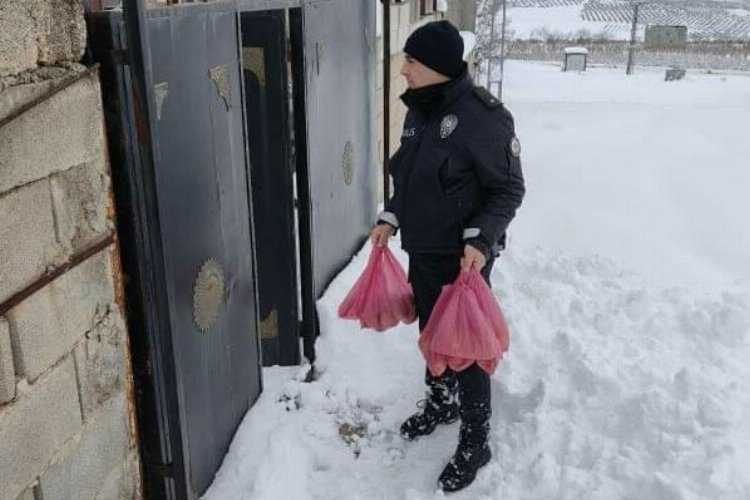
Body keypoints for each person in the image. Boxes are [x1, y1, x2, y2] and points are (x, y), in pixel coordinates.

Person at [370, 20, 525, 492]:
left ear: (435, 65)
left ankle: (476, 441)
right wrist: (392, 215)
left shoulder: (484, 118)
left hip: (464, 260)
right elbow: (410, 177)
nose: (403, 71)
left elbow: (508, 189)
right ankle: (441, 403)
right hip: (423, 248)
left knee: (466, 347)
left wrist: (479, 242)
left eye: (410, 62)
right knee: (431, 334)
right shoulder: (420, 111)